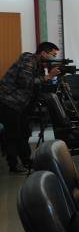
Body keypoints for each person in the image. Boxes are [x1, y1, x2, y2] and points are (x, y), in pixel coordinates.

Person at [0, 42, 61, 173]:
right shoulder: (29, 60)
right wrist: (48, 76)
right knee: (13, 134)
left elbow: (38, 85)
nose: (54, 58)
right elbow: (25, 82)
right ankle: (13, 165)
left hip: (20, 104)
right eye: (53, 55)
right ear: (43, 53)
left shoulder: (38, 64)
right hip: (9, 102)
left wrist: (54, 80)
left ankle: (26, 161)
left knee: (24, 132)